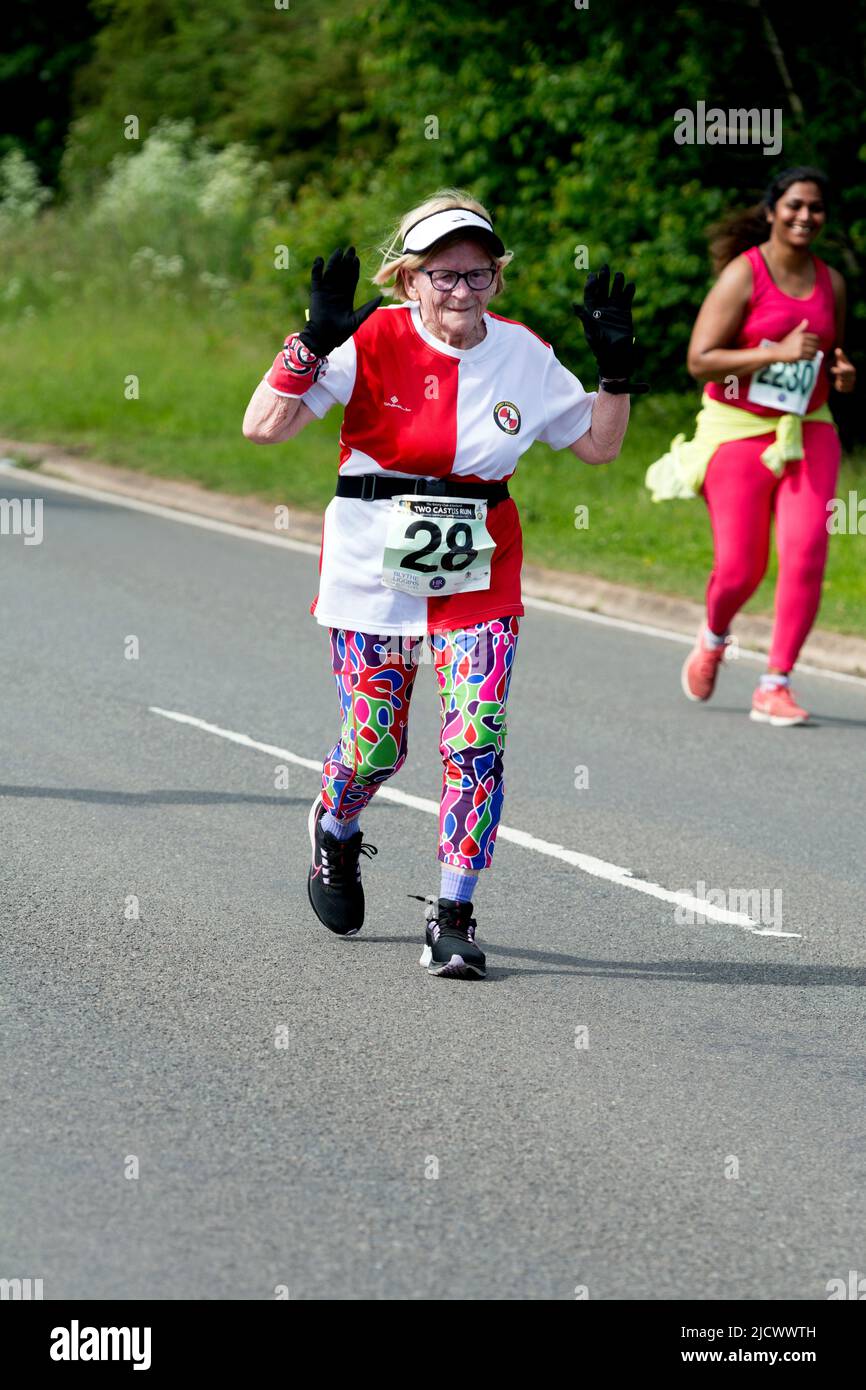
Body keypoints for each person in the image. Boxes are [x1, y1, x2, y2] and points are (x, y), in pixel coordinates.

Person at [243, 189, 644, 978]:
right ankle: (334, 827)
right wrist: (313, 341)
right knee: (375, 748)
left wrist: (617, 371)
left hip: (480, 579)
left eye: (478, 274)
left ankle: (454, 914)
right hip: (371, 577)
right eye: (443, 275)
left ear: (496, 277)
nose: (461, 291)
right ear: (408, 280)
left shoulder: (524, 355)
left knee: (476, 740)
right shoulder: (367, 338)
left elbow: (597, 447)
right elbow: (265, 425)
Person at [646, 166, 856, 726]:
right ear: (771, 211)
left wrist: (841, 374)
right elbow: (700, 360)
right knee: (741, 568)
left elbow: (826, 353)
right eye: (794, 205)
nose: (805, 216)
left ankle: (775, 683)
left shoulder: (830, 282)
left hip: (808, 425)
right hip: (737, 427)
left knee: (808, 549)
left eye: (815, 207)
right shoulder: (745, 274)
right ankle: (714, 637)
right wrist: (774, 353)